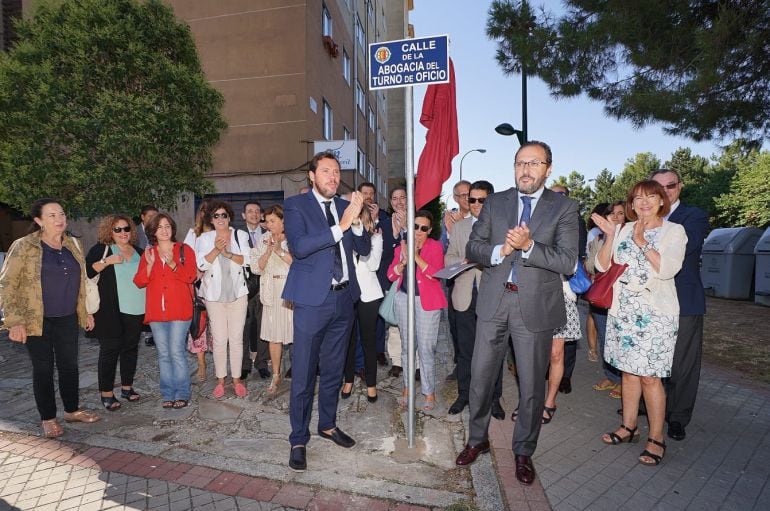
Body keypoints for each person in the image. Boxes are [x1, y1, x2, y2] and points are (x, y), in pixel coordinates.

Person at [455, 141, 578, 487]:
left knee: (531, 383)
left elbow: (567, 260)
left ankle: (523, 451)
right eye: (520, 163)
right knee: (480, 377)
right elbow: (473, 247)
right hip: (494, 301)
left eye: (534, 163)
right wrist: (501, 249)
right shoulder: (496, 202)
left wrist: (528, 247)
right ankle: (476, 439)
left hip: (534, 306)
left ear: (548, 169)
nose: (525, 169)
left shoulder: (564, 208)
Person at [282, 151, 370, 471]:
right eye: (326, 171)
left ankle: (328, 424)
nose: (333, 176)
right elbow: (300, 247)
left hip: (344, 300)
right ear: (312, 176)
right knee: (304, 373)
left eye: (336, 171)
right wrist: (341, 226)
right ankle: (298, 438)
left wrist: (356, 223)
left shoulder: (347, 207)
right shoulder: (296, 206)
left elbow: (363, 249)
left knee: (333, 370)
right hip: (311, 302)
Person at [593, 180, 686, 467]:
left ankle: (656, 438)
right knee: (629, 374)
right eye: (638, 198)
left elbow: (668, 269)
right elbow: (602, 266)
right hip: (623, 314)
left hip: (656, 316)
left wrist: (642, 241)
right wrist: (611, 236)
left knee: (650, 377)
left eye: (651, 197)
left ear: (661, 201)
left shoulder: (674, 231)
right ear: (631, 204)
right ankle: (628, 426)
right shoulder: (621, 229)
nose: (644, 202)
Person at [0, 198, 100, 437]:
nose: (59, 219)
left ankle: (72, 410)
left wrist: (85, 312)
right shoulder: (24, 246)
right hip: (36, 319)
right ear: (39, 220)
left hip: (66, 316)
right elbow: (7, 284)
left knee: (69, 365)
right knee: (43, 369)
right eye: (52, 215)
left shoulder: (73, 244)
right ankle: (48, 418)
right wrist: (14, 322)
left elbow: (82, 282)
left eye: (62, 214)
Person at [650, 169, 709, 442]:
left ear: (679, 187)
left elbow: (687, 246)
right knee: (650, 358)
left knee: (681, 365)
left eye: (670, 186)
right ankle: (648, 407)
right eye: (658, 187)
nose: (665, 191)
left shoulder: (693, 216)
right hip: (650, 301)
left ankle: (676, 418)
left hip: (684, 301)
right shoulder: (644, 216)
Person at [445, 180, 505, 419]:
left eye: (482, 199)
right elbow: (448, 257)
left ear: (490, 200)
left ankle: (494, 398)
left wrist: (484, 260)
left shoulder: (501, 227)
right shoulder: (459, 228)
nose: (477, 204)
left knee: (493, 351)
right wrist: (461, 262)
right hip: (463, 296)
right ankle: (464, 395)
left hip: (492, 296)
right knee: (466, 351)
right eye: (472, 200)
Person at [134, 213, 197, 409]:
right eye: (160, 227)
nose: (164, 230)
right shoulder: (149, 253)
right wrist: (150, 266)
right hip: (157, 313)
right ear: (153, 231)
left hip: (179, 310)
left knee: (176, 352)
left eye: (167, 226)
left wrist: (172, 264)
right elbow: (139, 281)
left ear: (172, 229)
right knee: (163, 354)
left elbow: (191, 276)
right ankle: (168, 394)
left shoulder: (184, 249)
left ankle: (182, 393)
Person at [388, 210, 447, 411]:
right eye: (415, 226)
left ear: (429, 230)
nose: (419, 231)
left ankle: (429, 392)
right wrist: (403, 262)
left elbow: (436, 274)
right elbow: (390, 275)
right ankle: (407, 387)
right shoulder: (401, 246)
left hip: (427, 303)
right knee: (407, 347)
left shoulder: (435, 247)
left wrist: (416, 257)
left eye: (423, 228)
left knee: (426, 349)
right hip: (404, 300)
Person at [85, 215, 145, 411]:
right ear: (109, 232)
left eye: (126, 228)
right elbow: (88, 272)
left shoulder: (139, 252)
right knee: (110, 351)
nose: (123, 233)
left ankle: (127, 388)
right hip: (110, 310)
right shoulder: (101, 249)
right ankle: (107, 393)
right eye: (117, 229)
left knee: (130, 349)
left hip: (136, 309)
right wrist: (107, 261)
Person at [195, 201, 251, 399]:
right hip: (214, 297)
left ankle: (236, 380)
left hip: (238, 294)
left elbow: (248, 260)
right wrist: (216, 250)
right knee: (219, 340)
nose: (220, 219)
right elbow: (200, 263)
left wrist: (228, 253)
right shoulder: (203, 238)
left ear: (229, 217)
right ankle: (220, 380)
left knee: (236, 339)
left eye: (224, 215)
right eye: (216, 216)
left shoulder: (240, 235)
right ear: (211, 219)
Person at [341, 203, 384, 402]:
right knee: (348, 341)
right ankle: (348, 379)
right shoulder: (344, 239)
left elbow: (373, 264)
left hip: (369, 295)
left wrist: (362, 239)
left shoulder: (376, 237)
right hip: (348, 295)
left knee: (368, 341)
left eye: (360, 217)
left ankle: (371, 384)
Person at [251, 204, 293, 394]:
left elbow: (299, 263)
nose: (269, 225)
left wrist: (279, 250)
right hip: (271, 290)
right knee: (274, 336)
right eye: (267, 222)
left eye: (273, 221)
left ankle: (299, 372)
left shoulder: (294, 236)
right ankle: (276, 374)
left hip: (292, 289)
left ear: (283, 220)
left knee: (296, 334)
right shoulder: (263, 239)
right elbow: (255, 268)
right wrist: (268, 252)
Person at [586, 202, 624, 396]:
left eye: (621, 213)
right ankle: (611, 376)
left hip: (623, 300)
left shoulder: (632, 238)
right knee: (605, 338)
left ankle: (624, 381)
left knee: (621, 341)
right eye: (612, 213)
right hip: (602, 296)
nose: (616, 217)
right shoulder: (598, 239)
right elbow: (592, 266)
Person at [358, 181, 392, 368]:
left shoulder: (384, 218)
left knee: (377, 321)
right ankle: (358, 361)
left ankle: (379, 351)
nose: (369, 195)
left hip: (377, 278)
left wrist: (375, 218)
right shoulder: (351, 217)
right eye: (365, 192)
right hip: (358, 280)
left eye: (371, 192)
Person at [443, 180, 472, 381]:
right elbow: (445, 253)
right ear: (455, 198)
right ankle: (461, 365)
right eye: (461, 195)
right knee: (456, 328)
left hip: (480, 283)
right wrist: (451, 231)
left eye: (469, 194)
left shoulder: (482, 217)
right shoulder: (448, 220)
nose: (467, 198)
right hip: (457, 282)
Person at [183, 199, 214, 382]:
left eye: (210, 210)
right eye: (203, 210)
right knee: (199, 327)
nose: (206, 214)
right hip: (199, 287)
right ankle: (202, 365)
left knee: (218, 329)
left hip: (220, 287)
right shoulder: (193, 234)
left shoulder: (222, 232)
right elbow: (186, 259)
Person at [241, 200, 271, 381]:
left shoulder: (268, 235)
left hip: (264, 286)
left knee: (263, 328)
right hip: (243, 287)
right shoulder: (237, 234)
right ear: (243, 215)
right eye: (249, 211)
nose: (253, 214)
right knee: (243, 328)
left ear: (261, 215)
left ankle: (261, 363)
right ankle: (244, 365)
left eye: (257, 211)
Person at [137, 205, 159, 347]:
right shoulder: (133, 231)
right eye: (150, 216)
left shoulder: (158, 230)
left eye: (155, 216)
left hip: (154, 272)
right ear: (142, 217)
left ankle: (151, 333)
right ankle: (145, 332)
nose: (153, 219)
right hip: (139, 271)